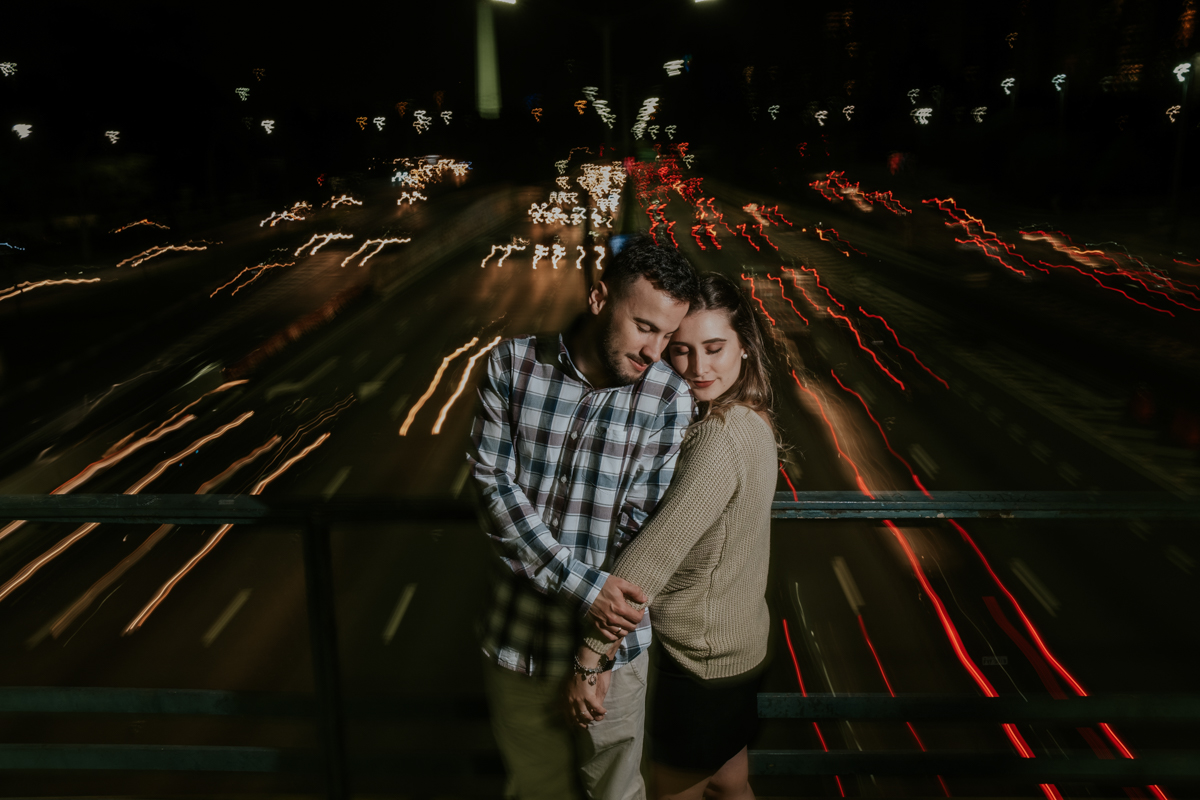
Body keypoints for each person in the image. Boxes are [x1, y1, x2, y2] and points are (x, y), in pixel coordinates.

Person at [467, 234, 701, 800]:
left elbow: (642, 533)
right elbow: (492, 490)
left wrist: (593, 657)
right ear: (600, 299)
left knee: (617, 794)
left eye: (668, 335)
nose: (655, 352)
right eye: (645, 327)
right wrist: (585, 588)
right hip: (517, 639)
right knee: (535, 789)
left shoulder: (668, 399)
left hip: (613, 653)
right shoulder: (513, 366)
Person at [567, 272, 780, 800]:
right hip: (744, 650)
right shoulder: (755, 421)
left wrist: (591, 657)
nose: (698, 368)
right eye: (681, 351)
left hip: (700, 665)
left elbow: (654, 556)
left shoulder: (718, 437)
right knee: (731, 783)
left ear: (745, 346)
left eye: (714, 348)